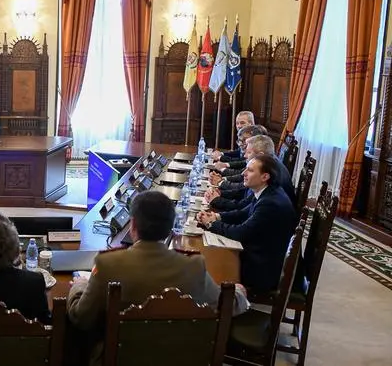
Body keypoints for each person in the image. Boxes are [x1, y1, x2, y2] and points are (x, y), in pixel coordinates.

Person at [67, 191, 248, 366]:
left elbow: (82, 317)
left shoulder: (108, 264)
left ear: (133, 225)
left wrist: (80, 285)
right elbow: (227, 304)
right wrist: (239, 292)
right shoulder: (194, 266)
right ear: (170, 228)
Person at [197, 154, 298, 293]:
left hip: (262, 269)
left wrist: (211, 224)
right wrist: (216, 217)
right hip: (261, 255)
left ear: (265, 176)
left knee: (208, 262)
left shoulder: (270, 203)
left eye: (250, 170)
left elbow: (241, 233)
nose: (243, 173)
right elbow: (242, 213)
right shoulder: (268, 191)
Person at [206, 135, 295, 211]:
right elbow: (245, 194)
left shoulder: (269, 172)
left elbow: (243, 208)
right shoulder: (268, 164)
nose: (245, 155)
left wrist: (218, 198)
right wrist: (221, 192)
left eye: (248, 152)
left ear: (260, 155)